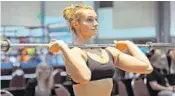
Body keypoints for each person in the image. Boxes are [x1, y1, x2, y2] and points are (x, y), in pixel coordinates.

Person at [49, 4, 153, 96]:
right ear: (76, 24)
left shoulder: (108, 51)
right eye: (90, 20)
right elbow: (84, 77)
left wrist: (129, 44)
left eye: (96, 19)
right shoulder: (74, 52)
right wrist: (63, 47)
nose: (96, 24)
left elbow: (146, 68)